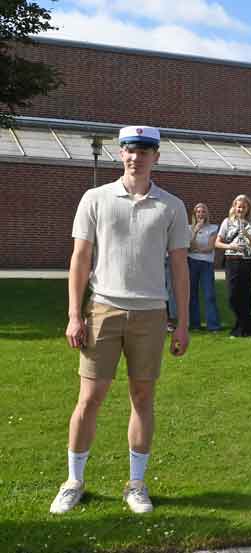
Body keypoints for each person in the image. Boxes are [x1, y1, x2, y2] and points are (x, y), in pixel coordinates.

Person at [50, 125, 190, 515]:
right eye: (130, 150)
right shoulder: (95, 198)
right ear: (121, 153)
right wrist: (75, 314)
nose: (136, 157)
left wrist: (182, 323)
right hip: (103, 310)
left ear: (156, 157)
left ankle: (136, 484)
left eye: (144, 151)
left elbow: (180, 270)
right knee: (89, 399)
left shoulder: (172, 206)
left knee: (143, 398)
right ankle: (73, 481)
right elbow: (80, 259)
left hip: (150, 314)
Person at [216, 194, 251, 338]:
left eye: (243, 206)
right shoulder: (227, 222)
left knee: (245, 297)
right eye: (238, 206)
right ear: (234, 207)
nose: (240, 209)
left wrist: (248, 235)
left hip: (248, 262)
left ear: (248, 208)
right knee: (232, 297)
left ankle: (241, 329)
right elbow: (217, 243)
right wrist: (230, 245)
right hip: (232, 261)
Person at [187, 203, 220, 331]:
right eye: (198, 212)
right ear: (195, 214)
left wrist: (196, 249)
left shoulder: (213, 228)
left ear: (207, 214)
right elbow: (189, 246)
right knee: (192, 294)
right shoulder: (189, 228)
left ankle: (213, 325)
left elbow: (210, 248)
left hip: (207, 264)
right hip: (192, 263)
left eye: (203, 211)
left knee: (209, 294)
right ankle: (195, 324)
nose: (201, 214)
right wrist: (195, 231)